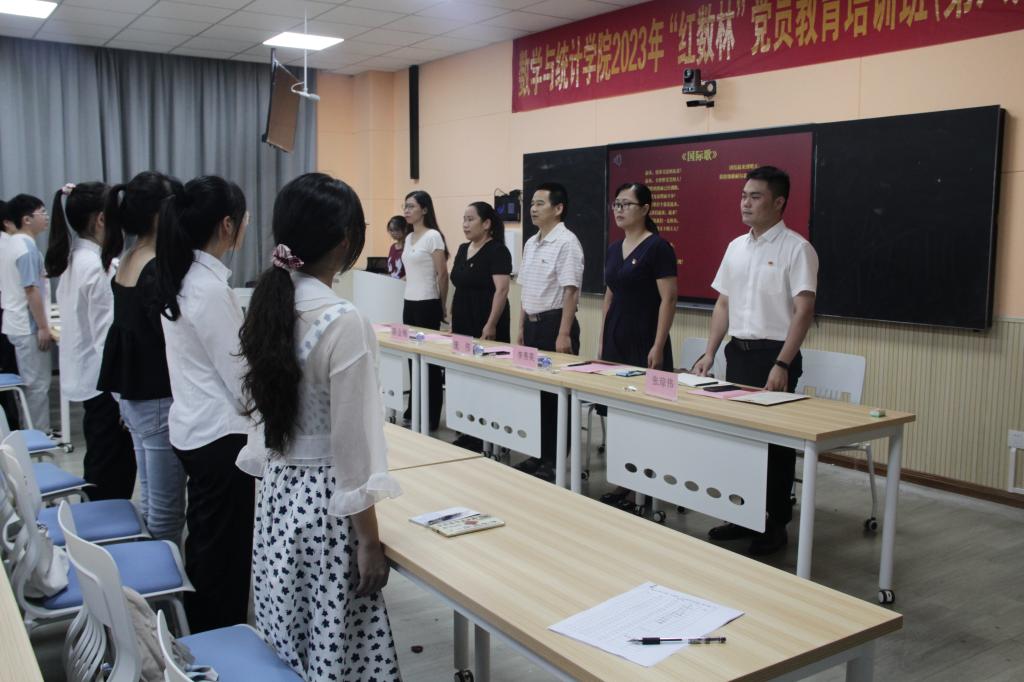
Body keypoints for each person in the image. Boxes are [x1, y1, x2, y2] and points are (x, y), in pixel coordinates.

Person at [237, 172, 402, 680]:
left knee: (291, 642)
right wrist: (369, 541)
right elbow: (352, 449)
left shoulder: (268, 300)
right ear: (347, 241)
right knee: (337, 648)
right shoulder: (342, 319)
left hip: (278, 496)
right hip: (326, 513)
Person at [693, 165, 818, 556]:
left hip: (773, 357)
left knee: (774, 446)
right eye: (744, 196)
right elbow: (723, 304)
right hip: (739, 353)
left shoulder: (797, 249)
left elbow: (803, 310)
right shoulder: (736, 247)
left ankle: (775, 523)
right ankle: (742, 514)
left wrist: (782, 364)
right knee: (741, 441)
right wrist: (710, 351)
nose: (745, 203)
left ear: (779, 202)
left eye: (755, 196)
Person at [156, 175, 254, 633]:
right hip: (220, 436)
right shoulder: (209, 288)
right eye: (244, 219)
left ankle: (206, 634)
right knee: (223, 556)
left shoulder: (184, 275)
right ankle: (217, 643)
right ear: (227, 225)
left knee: (209, 542)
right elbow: (242, 379)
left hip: (196, 427)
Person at [97, 171, 185, 544]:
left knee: (150, 496)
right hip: (156, 397)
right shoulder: (154, 267)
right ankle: (163, 577)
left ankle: (152, 568)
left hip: (134, 396)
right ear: (159, 215)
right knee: (166, 511)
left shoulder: (129, 257)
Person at [46, 182, 136, 500]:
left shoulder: (74, 260)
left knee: (99, 460)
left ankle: (93, 519)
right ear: (101, 219)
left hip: (90, 380)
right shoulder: (100, 268)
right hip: (105, 387)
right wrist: (123, 399)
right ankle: (100, 525)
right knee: (111, 471)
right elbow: (106, 341)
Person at [597, 182, 678, 509]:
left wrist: (658, 344)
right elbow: (609, 295)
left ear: (645, 209)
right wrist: (602, 340)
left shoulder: (658, 247)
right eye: (616, 204)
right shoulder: (614, 248)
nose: (619, 210)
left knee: (646, 415)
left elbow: (668, 299)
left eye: (626, 204)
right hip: (616, 335)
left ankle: (645, 486)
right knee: (620, 412)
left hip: (645, 337)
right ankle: (624, 479)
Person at [515, 182, 584, 481]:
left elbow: (571, 290)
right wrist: (520, 327)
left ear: (558, 208)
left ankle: (556, 461)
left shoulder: (567, 242)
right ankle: (540, 453)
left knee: (558, 397)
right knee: (538, 395)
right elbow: (525, 290)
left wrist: (564, 333)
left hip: (555, 325)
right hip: (532, 326)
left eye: (540, 203)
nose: (533, 208)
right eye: (532, 203)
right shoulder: (531, 243)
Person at [449, 201, 512, 452]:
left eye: (470, 219)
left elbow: (502, 290)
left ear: (486, 224)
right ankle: (470, 429)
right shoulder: (463, 248)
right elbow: (458, 283)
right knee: (465, 377)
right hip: (462, 320)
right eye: (463, 219)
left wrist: (491, 324)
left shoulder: (497, 251)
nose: (465, 224)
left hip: (486, 321)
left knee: (487, 379)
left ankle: (491, 434)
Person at [0, 194, 54, 433]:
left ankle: (31, 433)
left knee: (31, 384)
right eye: (42, 212)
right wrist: (42, 326)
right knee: (37, 386)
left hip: (15, 322)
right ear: (26, 219)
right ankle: (39, 435)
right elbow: (31, 290)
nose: (46, 217)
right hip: (27, 325)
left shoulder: (12, 243)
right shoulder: (25, 247)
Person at [401, 190, 448, 431]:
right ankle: (414, 408)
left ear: (425, 209)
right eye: (405, 206)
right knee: (412, 359)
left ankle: (431, 414)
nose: (406, 210)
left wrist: (442, 305)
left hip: (428, 303)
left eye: (411, 206)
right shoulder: (408, 238)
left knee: (429, 363)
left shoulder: (433, 236)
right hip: (409, 303)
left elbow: (442, 274)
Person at [0, 201, 22, 430]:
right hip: (8, 311)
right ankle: (13, 423)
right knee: (10, 369)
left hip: (7, 310)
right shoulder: (11, 244)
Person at [385, 215, 410, 279]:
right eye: (391, 230)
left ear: (405, 229)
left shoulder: (409, 247)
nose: (392, 233)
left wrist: (400, 281)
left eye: (396, 229)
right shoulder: (392, 247)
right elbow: (390, 270)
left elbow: (413, 272)